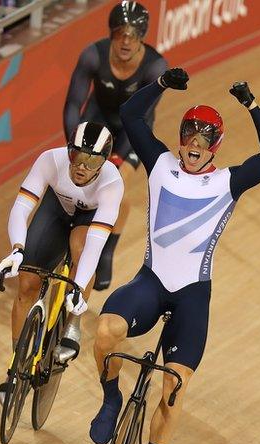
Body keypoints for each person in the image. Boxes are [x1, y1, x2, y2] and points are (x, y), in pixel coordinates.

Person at [89, 68, 260, 444]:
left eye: (203, 142)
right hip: (151, 282)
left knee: (173, 389)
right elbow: (130, 114)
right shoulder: (159, 163)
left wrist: (252, 106)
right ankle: (110, 399)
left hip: (192, 294)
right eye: (189, 139)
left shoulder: (227, 182)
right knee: (104, 333)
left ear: (213, 147)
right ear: (180, 140)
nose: (193, 148)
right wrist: (158, 85)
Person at [0, 121, 124, 375]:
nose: (82, 167)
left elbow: (94, 247)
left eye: (93, 162)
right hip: (57, 209)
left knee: (80, 246)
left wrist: (79, 286)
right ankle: (16, 365)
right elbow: (21, 207)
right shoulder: (50, 160)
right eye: (76, 157)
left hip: (89, 219)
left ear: (105, 162)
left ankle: (72, 323)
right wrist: (17, 249)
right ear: (68, 151)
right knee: (27, 283)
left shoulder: (112, 184)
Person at [63, 0, 168, 291]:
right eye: (120, 33)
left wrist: (117, 160)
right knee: (76, 173)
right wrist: (73, 146)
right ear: (111, 34)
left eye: (132, 35)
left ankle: (107, 250)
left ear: (142, 38)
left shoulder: (155, 67)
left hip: (132, 128)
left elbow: (140, 117)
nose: (125, 40)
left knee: (115, 187)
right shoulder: (93, 55)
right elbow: (73, 104)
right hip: (97, 119)